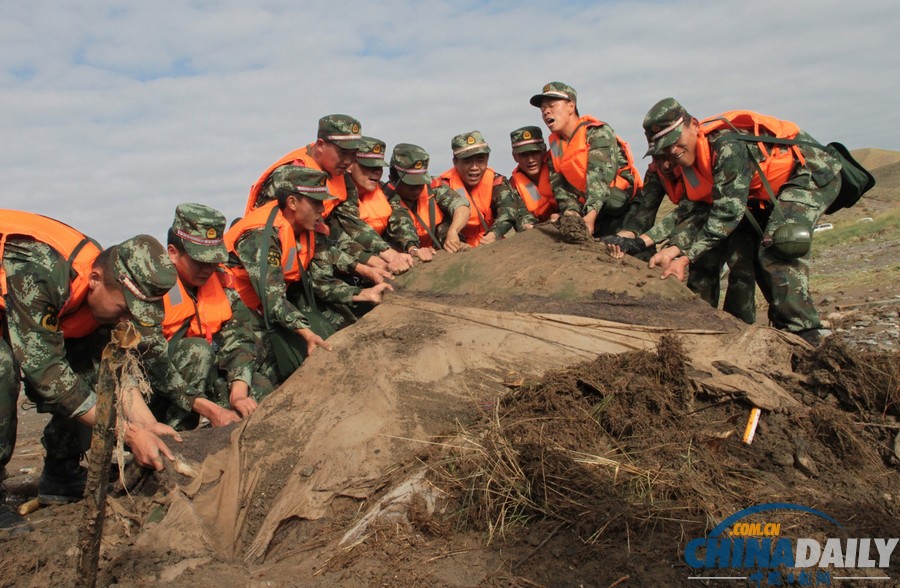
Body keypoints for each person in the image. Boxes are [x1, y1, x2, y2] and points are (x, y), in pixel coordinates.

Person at [1, 213, 183, 521]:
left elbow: (111, 371)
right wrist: (127, 433)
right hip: (16, 302)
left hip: (14, 310)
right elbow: (46, 375)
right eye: (124, 308)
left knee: (82, 366)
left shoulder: (100, 284)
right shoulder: (44, 270)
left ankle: (60, 474)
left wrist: (147, 425)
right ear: (95, 279)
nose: (126, 320)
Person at [643, 98, 843, 344]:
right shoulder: (692, 163)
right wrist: (668, 247)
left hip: (808, 172)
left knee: (780, 246)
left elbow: (727, 213)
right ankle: (745, 326)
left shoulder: (727, 147)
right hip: (763, 194)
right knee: (743, 257)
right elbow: (692, 213)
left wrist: (685, 257)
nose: (671, 150)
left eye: (675, 140)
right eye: (664, 147)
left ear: (693, 125)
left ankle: (806, 334)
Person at [224, 166, 392, 382]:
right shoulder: (260, 235)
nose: (322, 210)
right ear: (292, 203)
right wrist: (306, 333)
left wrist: (363, 293)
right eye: (315, 203)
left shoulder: (304, 230)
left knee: (336, 326)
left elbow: (320, 283)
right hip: (235, 317)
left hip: (267, 311)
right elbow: (273, 299)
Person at [155, 204, 273, 430]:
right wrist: (211, 409)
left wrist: (238, 393)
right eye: (199, 261)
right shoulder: (152, 290)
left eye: (213, 261)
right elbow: (151, 367)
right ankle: (175, 436)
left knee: (258, 387)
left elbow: (239, 339)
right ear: (172, 252)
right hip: (159, 388)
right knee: (197, 351)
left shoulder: (220, 282)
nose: (207, 269)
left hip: (202, 378)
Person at [245, 114, 410, 276]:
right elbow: (277, 233)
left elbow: (350, 222)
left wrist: (387, 252)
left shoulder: (342, 176)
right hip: (271, 261)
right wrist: (365, 265)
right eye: (343, 152)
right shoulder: (289, 176)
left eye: (353, 154)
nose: (348, 161)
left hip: (309, 255)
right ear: (321, 145)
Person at [605, 152, 758, 323]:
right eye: (657, 158)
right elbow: (645, 212)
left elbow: (690, 213)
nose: (665, 165)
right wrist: (627, 237)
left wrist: (670, 247)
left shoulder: (693, 169)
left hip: (736, 216)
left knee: (741, 270)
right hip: (700, 224)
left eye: (668, 157)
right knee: (702, 271)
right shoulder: (657, 173)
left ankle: (741, 328)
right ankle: (702, 324)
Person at [529, 81, 642, 237]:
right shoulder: (555, 149)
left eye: (552, 105)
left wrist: (590, 216)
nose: (546, 112)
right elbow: (560, 187)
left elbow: (599, 176)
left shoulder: (597, 132)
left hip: (623, 207)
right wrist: (571, 212)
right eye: (543, 109)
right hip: (594, 212)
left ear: (571, 106)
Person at [435, 131, 523, 248]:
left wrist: (493, 234)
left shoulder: (496, 181)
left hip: (492, 244)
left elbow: (508, 209)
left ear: (487, 160)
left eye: (480, 160)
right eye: (467, 161)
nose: (474, 167)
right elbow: (441, 223)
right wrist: (455, 242)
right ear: (455, 162)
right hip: (460, 248)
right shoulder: (443, 186)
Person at [382, 143, 470, 259]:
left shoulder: (433, 186)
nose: (417, 189)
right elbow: (402, 226)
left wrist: (453, 232)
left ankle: (454, 245)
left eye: (420, 182)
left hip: (437, 248)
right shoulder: (386, 198)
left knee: (446, 223)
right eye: (411, 184)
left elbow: (461, 206)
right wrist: (413, 249)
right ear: (393, 178)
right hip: (402, 252)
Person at [348, 136, 417, 265]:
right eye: (368, 166)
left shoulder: (385, 192)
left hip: (378, 260)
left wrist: (412, 247)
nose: (377, 172)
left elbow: (400, 218)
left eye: (379, 167)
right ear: (349, 165)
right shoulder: (337, 197)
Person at [508, 126, 558, 227]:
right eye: (523, 155)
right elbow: (522, 216)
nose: (530, 160)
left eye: (534, 152)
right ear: (515, 156)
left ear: (544, 150)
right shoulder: (513, 186)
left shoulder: (558, 167)